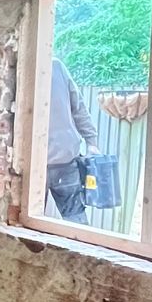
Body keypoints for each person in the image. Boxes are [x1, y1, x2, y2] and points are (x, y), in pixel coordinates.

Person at [45, 58, 100, 221]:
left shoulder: (22, 67)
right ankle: (83, 245)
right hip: (65, 154)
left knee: (29, 222)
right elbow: (79, 107)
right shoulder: (57, 66)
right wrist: (91, 142)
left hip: (38, 161)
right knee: (75, 219)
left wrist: (91, 140)